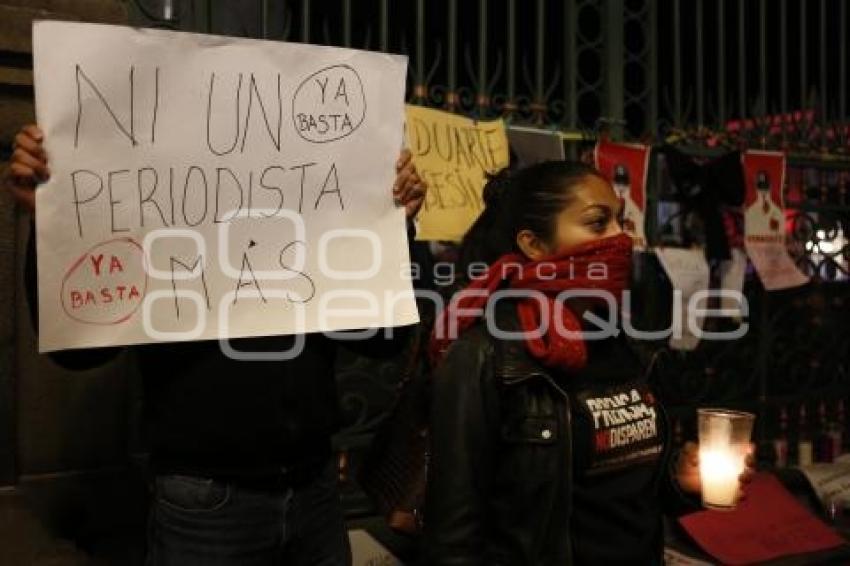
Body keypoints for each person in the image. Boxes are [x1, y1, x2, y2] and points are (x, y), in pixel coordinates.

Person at [4, 123, 426, 566]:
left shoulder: (315, 237)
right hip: (205, 504)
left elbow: (384, 339)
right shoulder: (164, 229)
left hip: (315, 492)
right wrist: (53, 226)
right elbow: (78, 351)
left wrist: (395, 229)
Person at [423, 161, 754, 565]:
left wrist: (682, 480)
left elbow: (625, 488)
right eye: (598, 224)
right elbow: (454, 534)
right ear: (534, 245)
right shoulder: (485, 355)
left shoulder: (622, 340)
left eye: (620, 220)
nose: (621, 237)